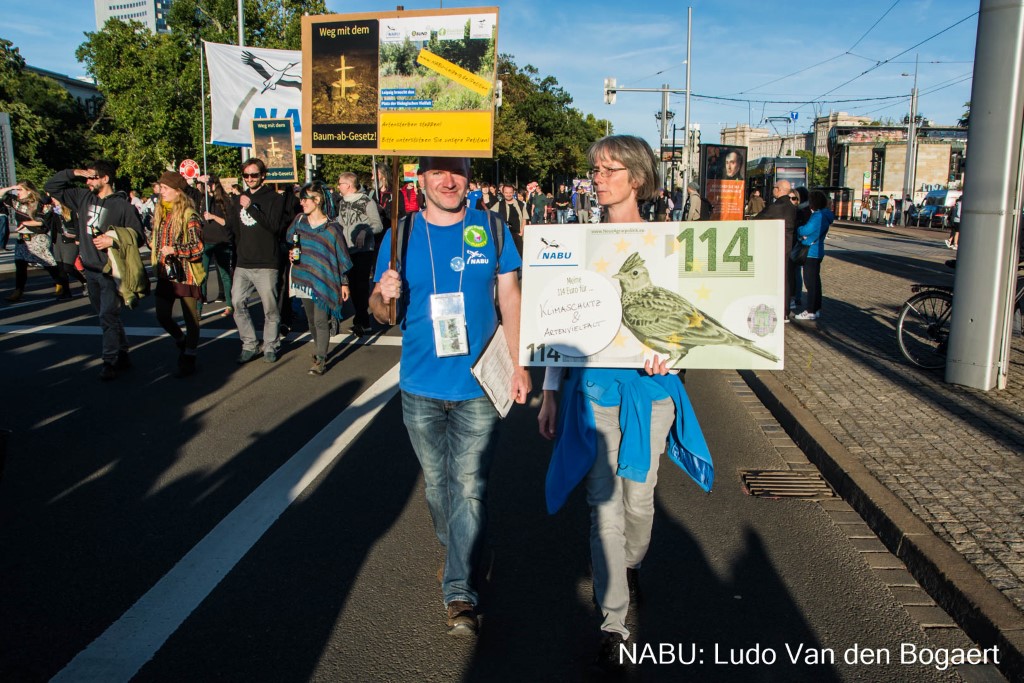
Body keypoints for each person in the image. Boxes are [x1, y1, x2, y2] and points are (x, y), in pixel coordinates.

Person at [537, 135, 711, 671]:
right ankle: (614, 619)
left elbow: (690, 319)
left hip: (651, 390)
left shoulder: (667, 242)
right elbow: (557, 318)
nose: (598, 177)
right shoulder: (574, 242)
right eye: (595, 168)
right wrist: (549, 389)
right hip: (593, 390)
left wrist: (673, 358)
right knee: (604, 504)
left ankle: (629, 564)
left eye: (610, 169)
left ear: (637, 178)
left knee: (640, 499)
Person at [369, 156, 531, 636]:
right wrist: (383, 291)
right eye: (437, 172)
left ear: (468, 177)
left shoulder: (494, 229)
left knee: (468, 486)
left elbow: (511, 298)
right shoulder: (399, 235)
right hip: (419, 386)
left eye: (456, 171)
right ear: (421, 180)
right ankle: (463, 542)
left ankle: (459, 589)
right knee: (439, 488)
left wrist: (520, 365)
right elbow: (380, 313)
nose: (447, 180)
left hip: (479, 384)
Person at [45, 161, 144, 380]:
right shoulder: (83, 197)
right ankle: (123, 350)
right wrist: (74, 172)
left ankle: (109, 361)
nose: (87, 181)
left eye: (92, 177)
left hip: (110, 270)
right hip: (90, 269)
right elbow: (51, 187)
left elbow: (138, 236)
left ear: (105, 178)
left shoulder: (123, 206)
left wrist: (113, 239)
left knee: (107, 316)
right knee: (108, 316)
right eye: (86, 178)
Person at [287, 182, 352, 375]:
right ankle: (318, 349)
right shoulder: (299, 221)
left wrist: (344, 283)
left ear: (317, 200)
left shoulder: (332, 228)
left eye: (305, 199)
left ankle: (321, 358)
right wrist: (292, 253)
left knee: (321, 320)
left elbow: (341, 257)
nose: (302, 203)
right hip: (304, 276)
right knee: (311, 320)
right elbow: (291, 240)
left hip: (325, 279)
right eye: (301, 199)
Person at [228, 158, 287, 364]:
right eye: (246, 176)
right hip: (243, 262)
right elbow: (235, 230)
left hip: (266, 262)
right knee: (237, 302)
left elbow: (274, 227)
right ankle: (249, 344)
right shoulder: (238, 200)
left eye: (254, 175)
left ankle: (270, 345)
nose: (250, 179)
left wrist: (252, 208)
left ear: (263, 175)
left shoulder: (274, 199)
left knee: (270, 307)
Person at [149, 171, 205, 377]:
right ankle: (181, 341)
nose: (160, 191)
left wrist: (175, 250)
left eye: (165, 188)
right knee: (162, 315)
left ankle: (189, 355)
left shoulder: (189, 214)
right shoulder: (161, 213)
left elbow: (198, 247)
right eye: (160, 187)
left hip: (186, 274)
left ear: (177, 191)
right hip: (166, 273)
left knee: (191, 319)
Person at [2, 181, 68, 302]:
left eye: (21, 190)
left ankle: (61, 284)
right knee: (20, 265)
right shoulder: (17, 202)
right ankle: (18, 291)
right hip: (22, 239)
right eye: (17, 190)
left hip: (37, 238)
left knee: (48, 264)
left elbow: (42, 222)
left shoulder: (40, 203)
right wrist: (11, 187)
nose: (18, 192)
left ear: (29, 191)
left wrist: (26, 223)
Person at [335, 171, 384, 336]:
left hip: (363, 250)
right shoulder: (341, 202)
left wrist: (365, 231)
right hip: (346, 249)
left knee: (361, 285)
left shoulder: (366, 202)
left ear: (348, 185)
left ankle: (363, 321)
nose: (338, 186)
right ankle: (360, 318)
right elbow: (341, 221)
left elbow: (378, 225)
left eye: (340, 183)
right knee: (352, 286)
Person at [755, 179, 799, 321]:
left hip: (775, 247)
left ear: (778, 190)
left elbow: (759, 219)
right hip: (788, 246)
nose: (773, 190)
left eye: (774, 187)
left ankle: (779, 309)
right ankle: (785, 310)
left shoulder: (777, 206)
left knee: (777, 279)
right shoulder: (792, 207)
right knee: (786, 278)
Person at [793, 190, 835, 321]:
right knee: (816, 282)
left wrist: (800, 232)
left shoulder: (817, 216)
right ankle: (816, 309)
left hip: (811, 252)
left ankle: (810, 310)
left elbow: (806, 230)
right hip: (818, 251)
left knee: (810, 282)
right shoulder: (826, 215)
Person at [199, 175, 235, 317]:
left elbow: (227, 222)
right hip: (206, 240)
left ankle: (229, 304)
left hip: (221, 241)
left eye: (208, 184)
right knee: (202, 276)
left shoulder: (224, 201)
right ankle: (198, 308)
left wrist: (213, 217)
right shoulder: (205, 200)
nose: (206, 187)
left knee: (225, 274)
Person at [49, 197, 88, 298]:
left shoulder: (71, 210)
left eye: (54, 198)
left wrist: (78, 238)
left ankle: (84, 281)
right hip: (57, 239)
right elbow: (48, 222)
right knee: (60, 267)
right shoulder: (53, 210)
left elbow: (78, 224)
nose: (52, 200)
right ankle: (66, 292)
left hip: (70, 239)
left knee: (68, 267)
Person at [490, 183, 528, 255]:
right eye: (506, 193)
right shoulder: (498, 204)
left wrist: (521, 233)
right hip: (503, 236)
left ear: (513, 193)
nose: (508, 194)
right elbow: (489, 215)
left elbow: (524, 219)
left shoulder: (520, 204)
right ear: (503, 193)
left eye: (510, 192)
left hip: (517, 236)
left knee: (518, 257)